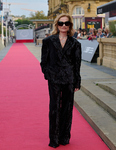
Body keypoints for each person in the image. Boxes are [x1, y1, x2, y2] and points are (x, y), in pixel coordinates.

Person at [40, 13, 81, 148]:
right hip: (54, 79)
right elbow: (43, 62)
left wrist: (77, 82)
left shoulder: (75, 43)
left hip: (69, 79)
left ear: (70, 26)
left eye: (66, 23)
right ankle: (54, 139)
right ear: (57, 25)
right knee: (54, 108)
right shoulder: (48, 41)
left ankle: (64, 137)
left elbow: (77, 64)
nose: (64, 26)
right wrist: (48, 75)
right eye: (61, 23)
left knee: (67, 109)